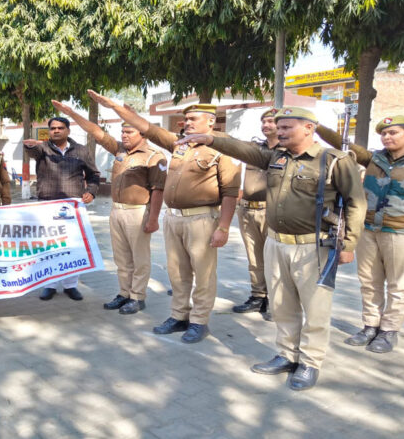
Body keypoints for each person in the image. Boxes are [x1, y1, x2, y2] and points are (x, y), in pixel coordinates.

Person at [176, 106, 366, 390]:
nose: (281, 132)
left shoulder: (334, 161)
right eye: (279, 127)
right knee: (281, 305)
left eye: (287, 127)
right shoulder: (276, 157)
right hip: (276, 243)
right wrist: (210, 138)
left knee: (315, 308)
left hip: (313, 247)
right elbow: (242, 149)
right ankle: (287, 354)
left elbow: (356, 203)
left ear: (309, 128)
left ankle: (310, 362)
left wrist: (349, 244)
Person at [88, 91, 240, 344]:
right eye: (186, 119)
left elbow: (231, 193)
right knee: (177, 272)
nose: (187, 123)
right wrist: (114, 107)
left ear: (210, 122)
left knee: (203, 274)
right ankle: (179, 315)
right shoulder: (179, 145)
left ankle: (200, 321)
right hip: (175, 219)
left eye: (193, 119)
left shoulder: (223, 148)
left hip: (202, 219)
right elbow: (145, 126)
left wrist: (223, 227)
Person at [315, 115, 404, 353]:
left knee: (398, 284)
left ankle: (389, 331)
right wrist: (317, 126)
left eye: (393, 132)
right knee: (369, 282)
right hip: (369, 230)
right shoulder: (374, 158)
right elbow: (342, 144)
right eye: (384, 133)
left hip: (403, 232)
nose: (387, 137)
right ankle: (370, 326)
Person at [51, 100, 166, 314]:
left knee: (139, 258)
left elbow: (158, 190)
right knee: (121, 257)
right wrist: (72, 113)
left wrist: (153, 219)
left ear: (142, 133)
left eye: (129, 132)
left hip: (138, 212)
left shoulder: (154, 156)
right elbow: (96, 131)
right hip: (117, 210)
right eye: (122, 132)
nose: (124, 135)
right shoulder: (120, 150)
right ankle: (124, 293)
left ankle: (138, 297)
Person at [24, 116, 100, 301]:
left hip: (73, 207)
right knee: (49, 246)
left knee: (72, 246)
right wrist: (31, 145)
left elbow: (94, 174)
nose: (56, 131)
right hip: (47, 205)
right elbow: (31, 151)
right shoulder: (42, 149)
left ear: (68, 130)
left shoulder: (81, 151)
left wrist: (91, 191)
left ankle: (70, 285)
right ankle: (49, 285)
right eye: (53, 128)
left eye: (60, 128)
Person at [232, 108, 280, 320]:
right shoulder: (254, 149)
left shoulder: (287, 152)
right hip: (248, 210)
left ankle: (276, 302)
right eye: (264, 121)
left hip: (273, 212)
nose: (266, 125)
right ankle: (258, 296)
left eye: (271, 121)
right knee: (254, 258)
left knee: (274, 260)